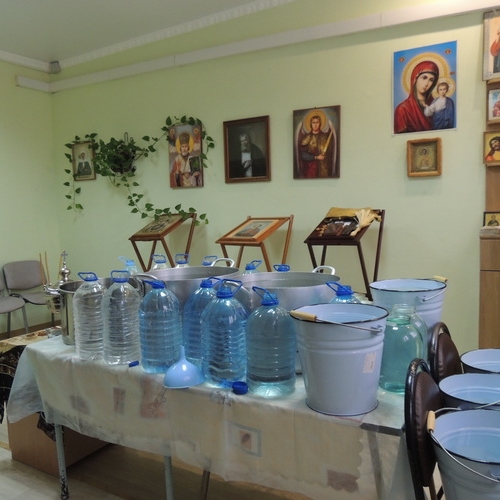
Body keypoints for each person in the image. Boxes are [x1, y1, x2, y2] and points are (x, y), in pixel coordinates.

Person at [394, 60, 439, 134]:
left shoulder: (435, 106)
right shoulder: (403, 109)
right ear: (415, 78)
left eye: (431, 80)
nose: (426, 83)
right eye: (424, 78)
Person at [298, 113, 334, 178]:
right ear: (311, 124)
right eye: (313, 122)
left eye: (317, 122)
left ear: (320, 124)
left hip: (323, 168)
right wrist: (316, 157)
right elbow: (303, 155)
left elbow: (330, 153)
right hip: (311, 168)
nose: (315, 125)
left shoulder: (325, 137)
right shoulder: (307, 137)